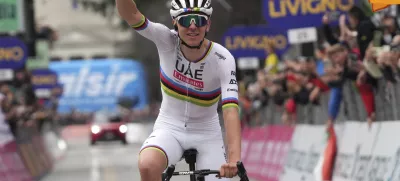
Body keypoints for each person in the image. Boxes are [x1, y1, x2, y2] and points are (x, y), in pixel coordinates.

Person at [115, 0, 241, 180]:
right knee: (147, 165)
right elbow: (131, 14)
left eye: (199, 20)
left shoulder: (223, 58)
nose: (192, 27)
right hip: (169, 127)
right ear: (174, 22)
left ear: (208, 24)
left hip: (207, 133)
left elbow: (230, 111)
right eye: (185, 20)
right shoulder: (165, 39)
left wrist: (234, 159)